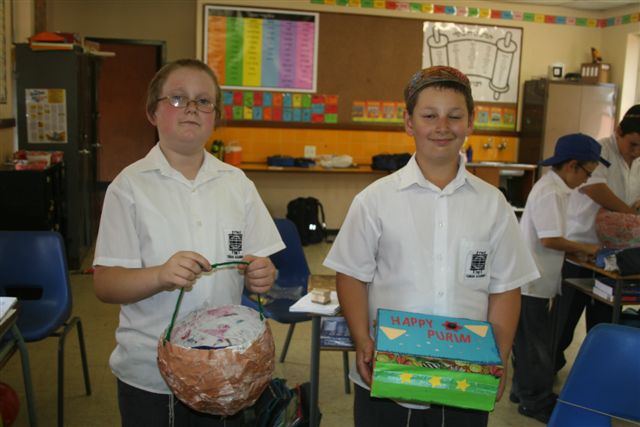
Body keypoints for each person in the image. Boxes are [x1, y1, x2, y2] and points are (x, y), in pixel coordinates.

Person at [323, 65, 539, 427]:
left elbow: (505, 288)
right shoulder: (374, 200)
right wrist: (362, 339)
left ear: (470, 123)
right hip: (387, 375)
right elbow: (351, 275)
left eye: (454, 116)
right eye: (429, 116)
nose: (442, 126)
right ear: (409, 123)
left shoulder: (493, 205)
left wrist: (499, 356)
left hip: (466, 377)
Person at [92, 59, 285, 427]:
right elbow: (105, 284)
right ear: (153, 113)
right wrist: (160, 275)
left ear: (215, 117)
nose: (192, 108)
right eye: (178, 98)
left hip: (225, 369)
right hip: (151, 374)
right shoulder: (129, 187)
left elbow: (256, 262)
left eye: (204, 101)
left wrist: (261, 273)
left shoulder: (238, 184)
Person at [511, 133, 606, 424]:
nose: (587, 179)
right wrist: (587, 248)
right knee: (535, 346)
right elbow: (550, 239)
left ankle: (523, 392)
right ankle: (534, 402)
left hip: (538, 279)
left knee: (531, 342)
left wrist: (578, 253)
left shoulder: (557, 189)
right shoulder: (551, 192)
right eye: (588, 172)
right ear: (572, 165)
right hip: (532, 282)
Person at [554, 104, 640, 373]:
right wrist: (629, 213)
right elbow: (596, 189)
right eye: (633, 144)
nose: (637, 152)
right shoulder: (600, 150)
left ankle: (597, 372)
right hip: (581, 248)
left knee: (604, 319)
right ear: (618, 131)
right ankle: (544, 373)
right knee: (564, 319)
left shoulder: (638, 160)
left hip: (616, 255)